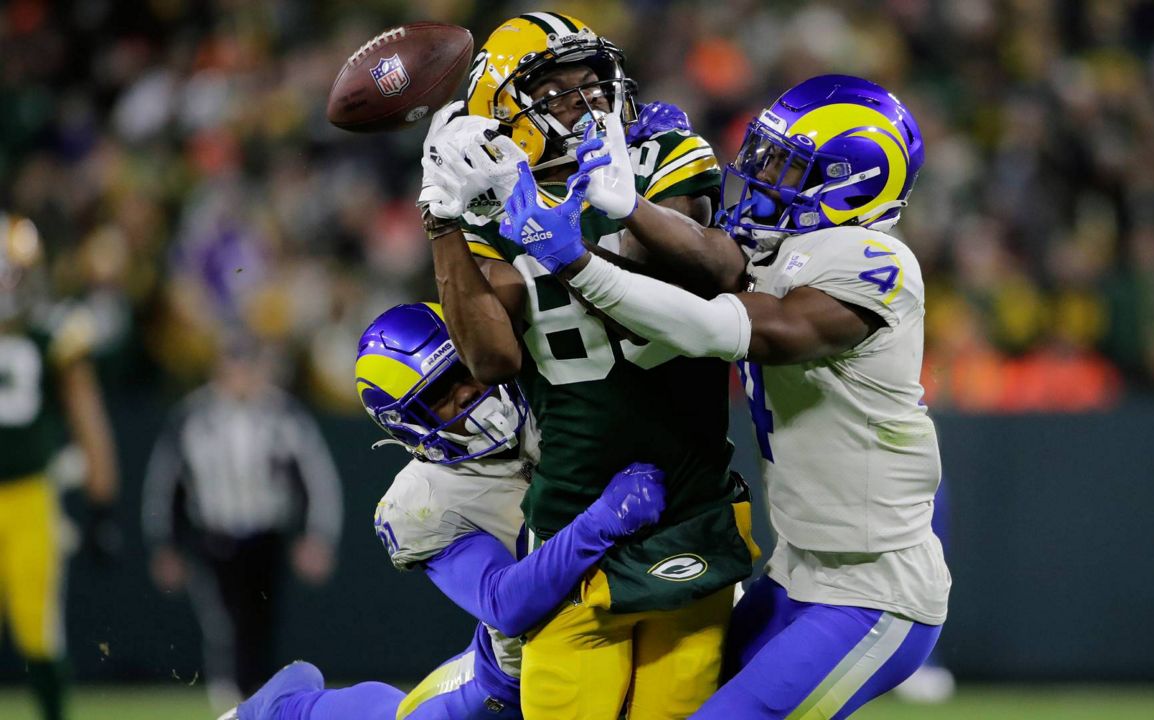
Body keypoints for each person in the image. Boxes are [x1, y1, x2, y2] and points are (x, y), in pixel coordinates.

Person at [503, 74, 951, 718]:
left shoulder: (875, 263)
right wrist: (631, 207)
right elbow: (712, 260)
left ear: (855, 180)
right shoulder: (787, 244)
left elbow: (725, 325)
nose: (764, 172)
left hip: (873, 590)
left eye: (789, 164)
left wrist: (577, 261)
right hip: (797, 570)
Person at [418, 12, 756, 720]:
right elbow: (491, 357)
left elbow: (688, 283)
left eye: (592, 80)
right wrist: (444, 224)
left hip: (689, 508)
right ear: (506, 108)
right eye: (559, 88)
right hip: (573, 519)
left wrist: (583, 223)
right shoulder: (482, 205)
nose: (588, 100)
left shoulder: (659, 148)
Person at [220, 302, 666, 720]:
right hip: (516, 678)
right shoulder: (426, 499)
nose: (469, 392)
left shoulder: (544, 391)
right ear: (408, 423)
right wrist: (601, 521)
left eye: (465, 367)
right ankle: (288, 707)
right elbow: (504, 603)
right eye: (439, 393)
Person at [141, 338, 343, 709]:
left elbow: (316, 479)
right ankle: (230, 701)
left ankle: (258, 702)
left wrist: (317, 536)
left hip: (265, 535)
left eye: (247, 367)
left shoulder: (282, 414)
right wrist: (163, 544)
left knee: (260, 624)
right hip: (215, 535)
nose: (241, 377)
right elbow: (165, 485)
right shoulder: (193, 416)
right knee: (223, 623)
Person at [0, 212, 119, 720]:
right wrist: (101, 504)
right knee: (38, 629)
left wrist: (101, 502)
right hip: (29, 496)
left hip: (29, 495)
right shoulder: (49, 332)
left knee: (38, 629)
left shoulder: (52, 335)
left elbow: (88, 420)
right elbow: (91, 424)